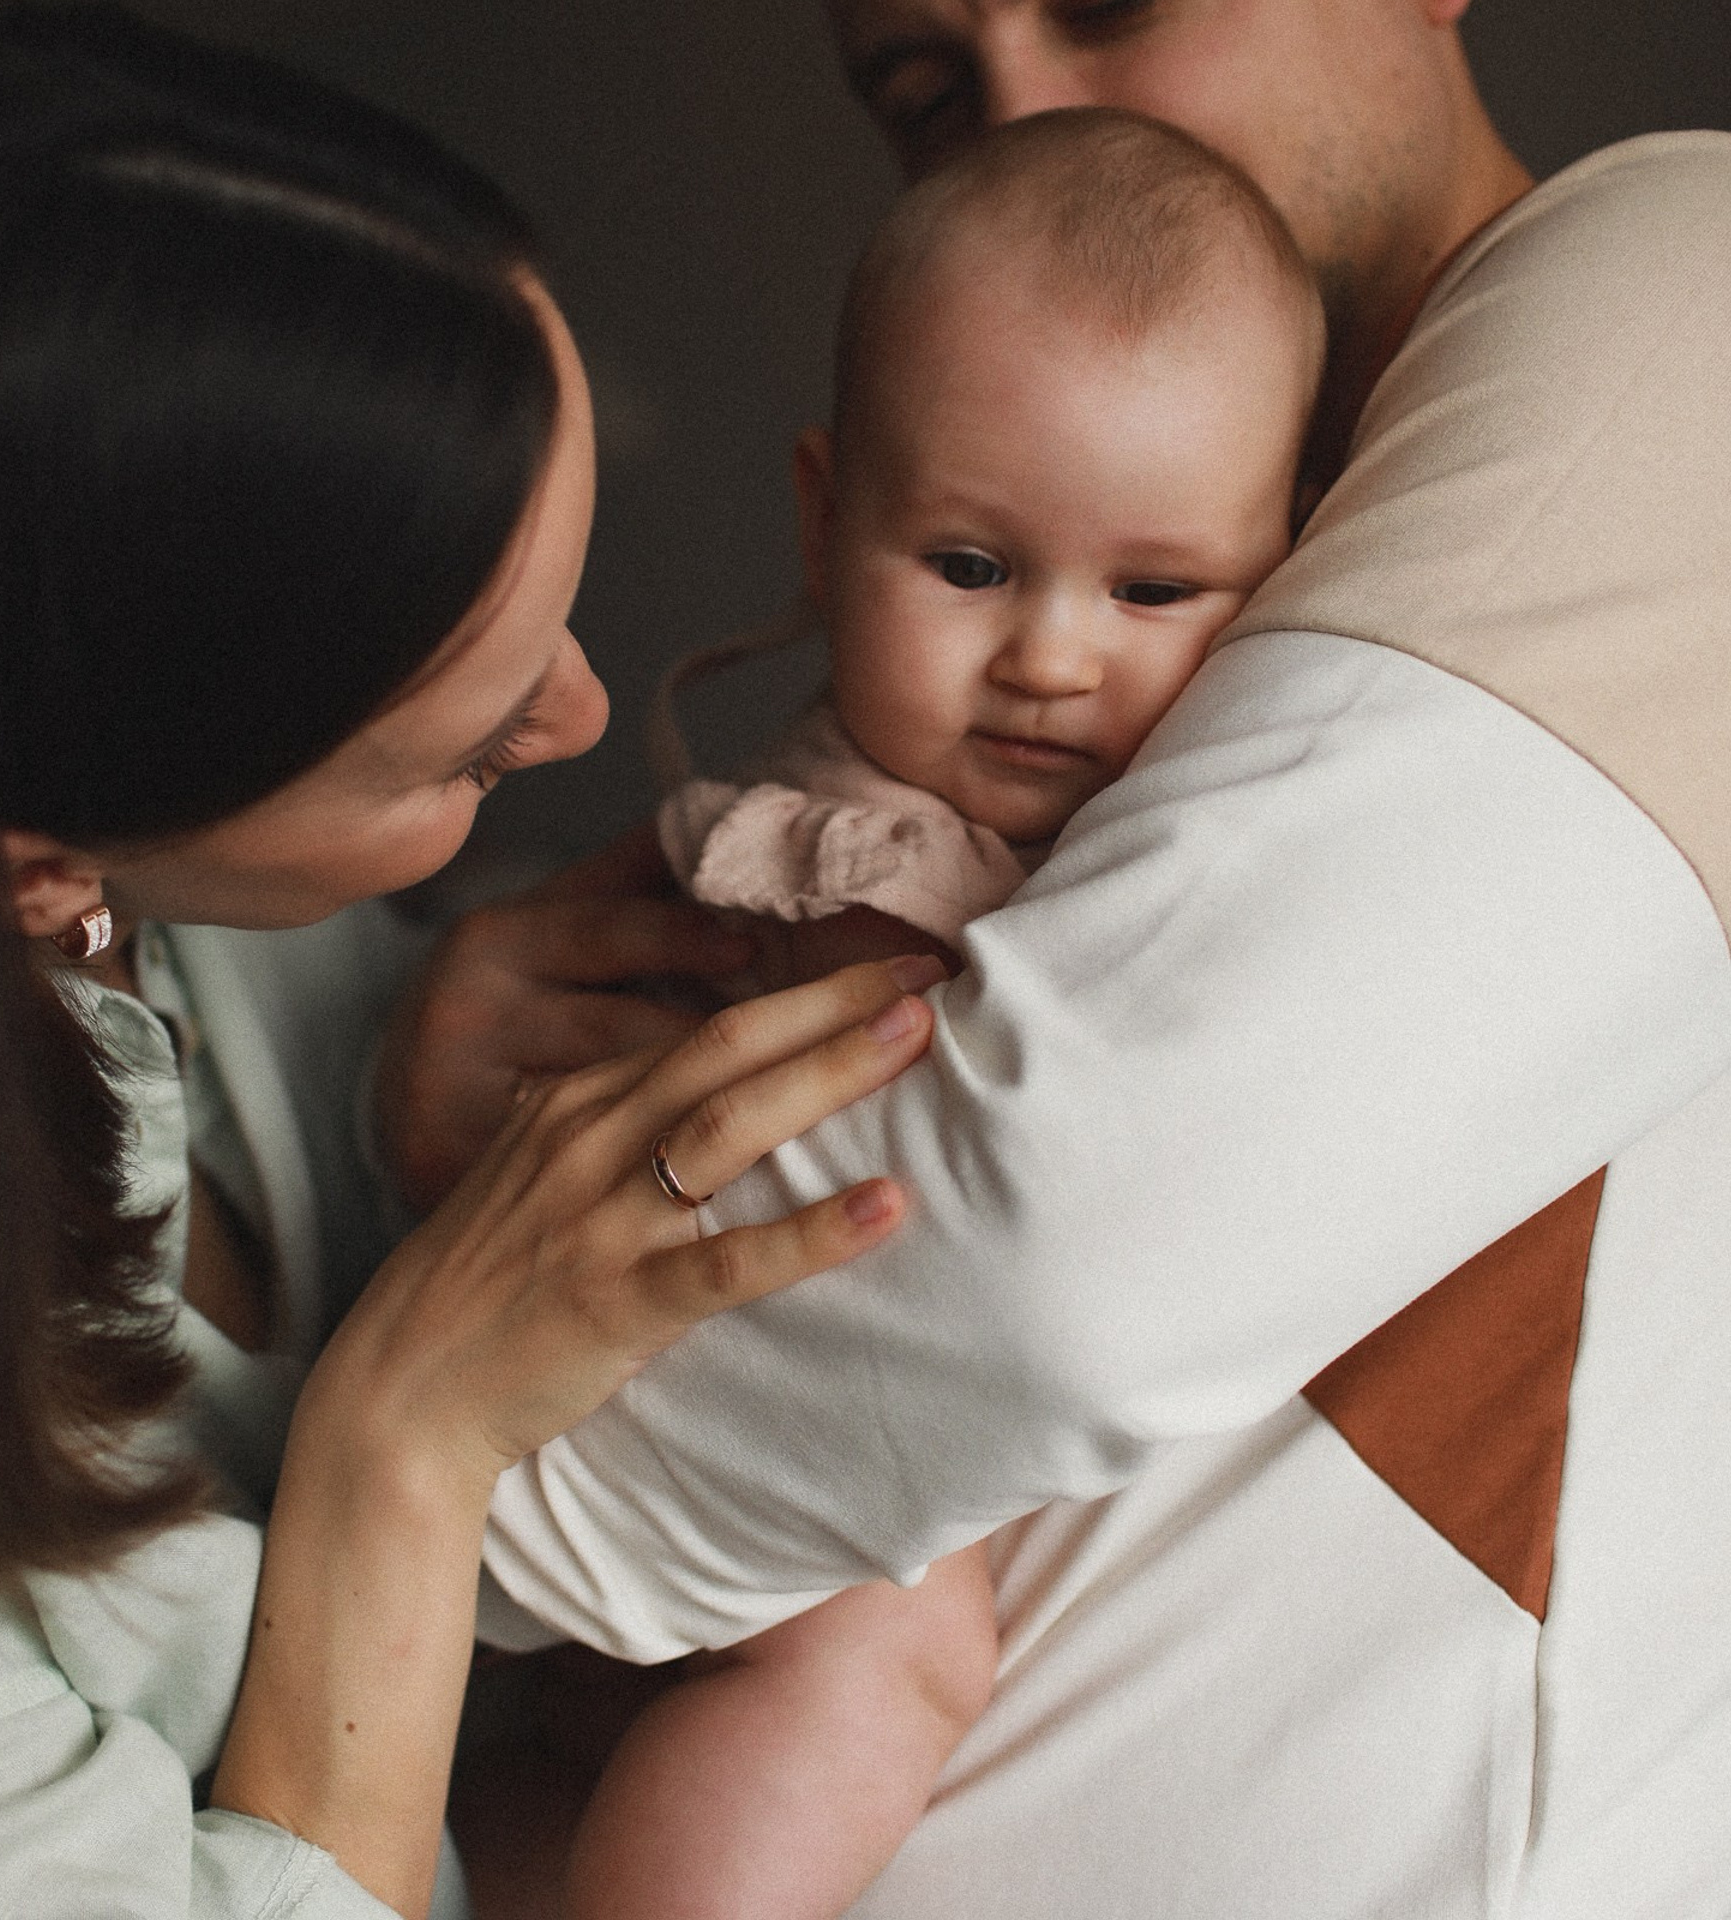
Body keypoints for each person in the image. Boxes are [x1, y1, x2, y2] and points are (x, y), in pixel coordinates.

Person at [395, 2, 1731, 1913]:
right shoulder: (921, 780)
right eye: (927, 91)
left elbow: (1055, 1247)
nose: (1021, 112)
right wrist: (461, 1097)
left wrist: (399, 1506)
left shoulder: (1688, 297)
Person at [0, 10, 945, 1919]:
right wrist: (403, 1453)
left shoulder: (101, 901)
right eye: (459, 752)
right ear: (29, 866)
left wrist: (376, 1091)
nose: (591, 711)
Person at [556, 108, 1322, 1920]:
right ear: (827, 527)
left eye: (1155, 591)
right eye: (971, 568)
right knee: (887, 1662)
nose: (1054, 657)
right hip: (670, 1340)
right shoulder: (858, 858)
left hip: (741, 1346)